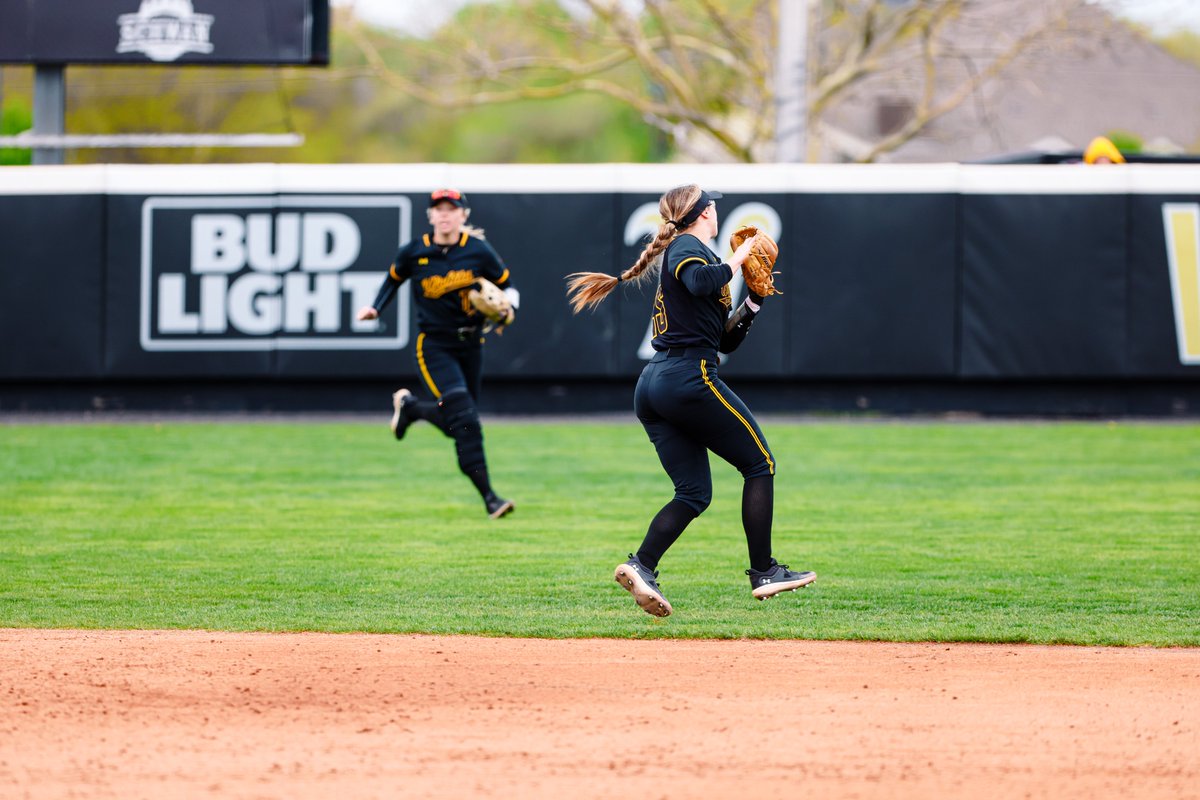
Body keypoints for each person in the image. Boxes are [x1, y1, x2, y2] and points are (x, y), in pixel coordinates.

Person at [565, 183, 816, 617]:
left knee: (694, 492)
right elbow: (701, 281)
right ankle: (765, 572)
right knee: (760, 465)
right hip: (687, 376)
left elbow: (725, 339)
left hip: (657, 384)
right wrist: (737, 261)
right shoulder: (687, 247)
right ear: (702, 214)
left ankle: (641, 564)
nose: (717, 210)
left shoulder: (699, 255)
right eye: (712, 204)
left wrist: (754, 301)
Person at [356, 188, 517, 519]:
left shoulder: (477, 250)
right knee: (466, 419)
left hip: (472, 344)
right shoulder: (415, 252)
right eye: (438, 209)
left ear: (463, 216)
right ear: (430, 216)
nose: (444, 214)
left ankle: (411, 409)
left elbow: (507, 284)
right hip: (434, 345)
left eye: (451, 209)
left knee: (460, 419)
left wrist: (509, 304)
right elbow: (392, 280)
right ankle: (490, 498)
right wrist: (375, 308)